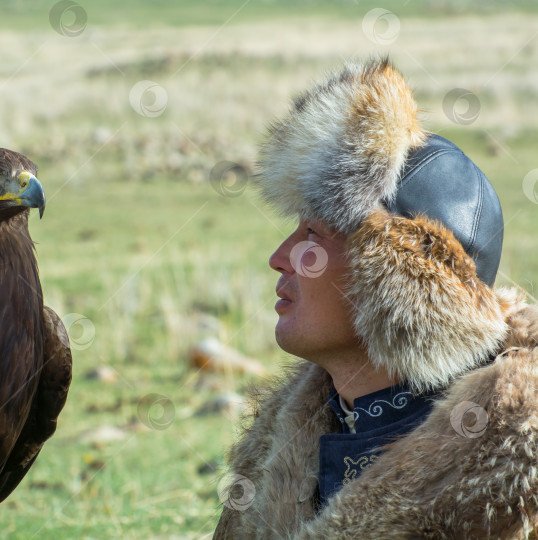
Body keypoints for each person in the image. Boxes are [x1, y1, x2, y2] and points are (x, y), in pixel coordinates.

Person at [213, 57, 538, 538]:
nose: (279, 257)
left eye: (314, 236)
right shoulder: (275, 455)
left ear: (395, 282)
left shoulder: (516, 492)